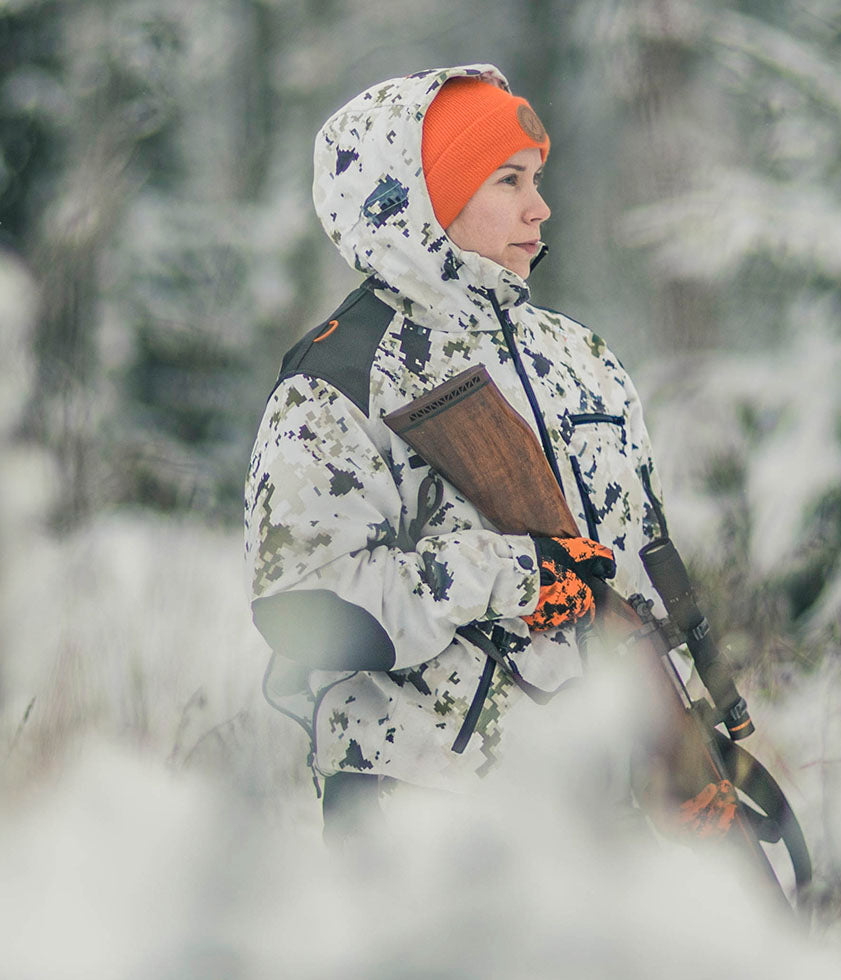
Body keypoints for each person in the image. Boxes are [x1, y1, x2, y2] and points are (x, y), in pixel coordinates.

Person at [244, 64, 672, 818]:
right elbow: (301, 603)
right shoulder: (342, 374)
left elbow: (638, 581)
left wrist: (684, 747)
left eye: (537, 178)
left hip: (592, 812)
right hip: (415, 806)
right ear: (420, 196)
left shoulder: (583, 361)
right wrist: (515, 574)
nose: (541, 208)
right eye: (508, 180)